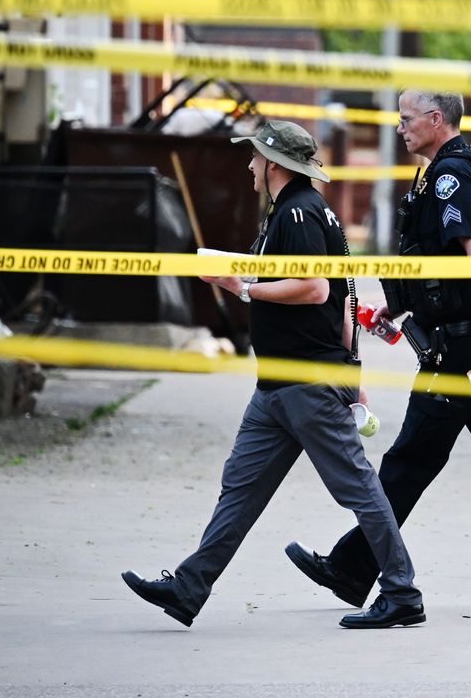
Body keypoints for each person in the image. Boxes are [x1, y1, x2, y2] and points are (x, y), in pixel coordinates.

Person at [284, 90, 471, 608]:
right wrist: (402, 310)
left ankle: (352, 568)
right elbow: (438, 264)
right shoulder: (461, 168)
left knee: (409, 462)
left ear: (435, 119)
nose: (399, 127)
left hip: (468, 351)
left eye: (406, 119)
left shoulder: (452, 175)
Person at [121, 121, 424, 629]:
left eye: (255, 157)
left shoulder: (301, 213)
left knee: (358, 490)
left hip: (307, 384)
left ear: (275, 164)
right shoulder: (297, 211)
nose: (249, 165)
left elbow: (315, 290)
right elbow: (346, 297)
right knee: (239, 487)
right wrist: (354, 373)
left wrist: (242, 288)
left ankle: (402, 593)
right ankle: (189, 588)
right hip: (281, 386)